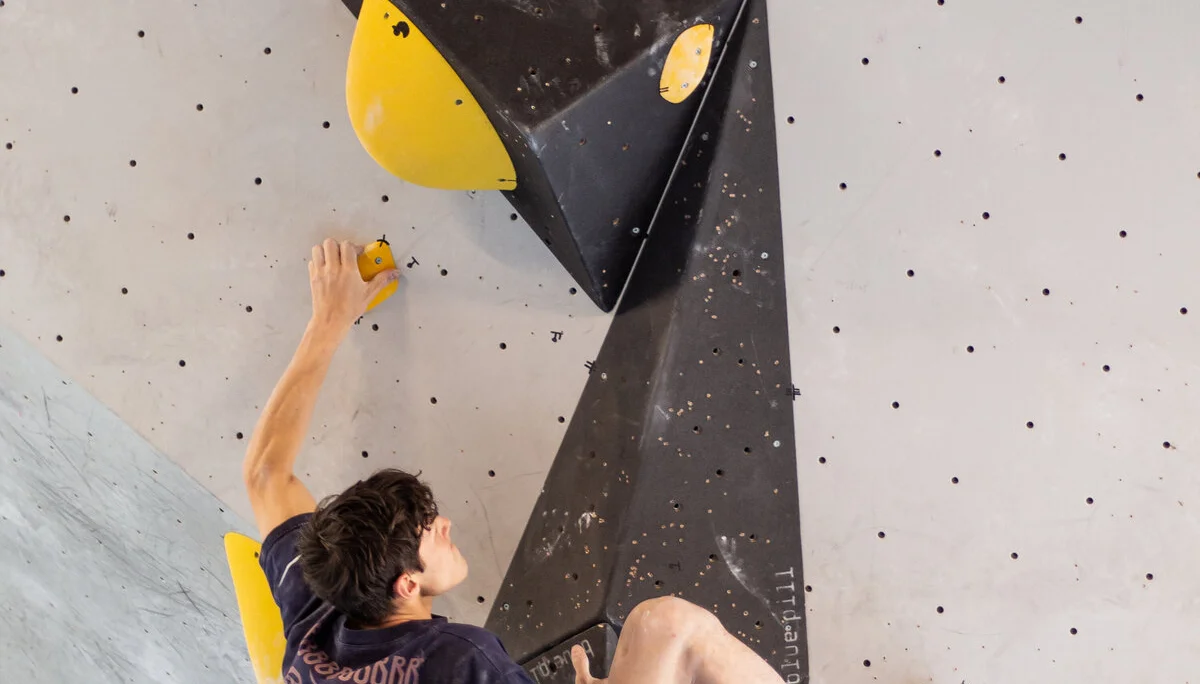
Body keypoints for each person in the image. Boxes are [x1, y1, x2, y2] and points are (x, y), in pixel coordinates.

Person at [242, 238, 787, 683]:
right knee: (668, 627)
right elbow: (264, 474)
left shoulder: (321, 603)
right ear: (406, 585)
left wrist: (329, 319)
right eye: (433, 533)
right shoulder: (459, 661)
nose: (447, 525)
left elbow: (267, 473)